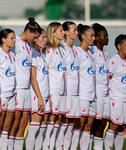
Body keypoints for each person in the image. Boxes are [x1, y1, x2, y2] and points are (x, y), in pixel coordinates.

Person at [8, 17, 42, 150]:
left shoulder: (29, 45)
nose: (35, 40)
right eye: (35, 36)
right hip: (17, 89)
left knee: (23, 123)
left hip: (26, 88)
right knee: (14, 122)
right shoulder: (15, 42)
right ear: (27, 31)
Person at [70, 24, 96, 150]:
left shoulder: (91, 52)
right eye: (91, 35)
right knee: (79, 126)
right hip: (83, 94)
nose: (94, 38)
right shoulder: (77, 52)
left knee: (88, 127)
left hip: (92, 94)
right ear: (83, 36)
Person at [42, 22, 67, 150]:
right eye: (61, 30)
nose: (64, 33)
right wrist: (48, 94)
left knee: (58, 121)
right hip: (53, 91)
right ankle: (46, 146)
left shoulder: (62, 50)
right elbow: (44, 71)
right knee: (51, 121)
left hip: (63, 91)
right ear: (53, 33)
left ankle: (53, 146)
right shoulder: (49, 50)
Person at [56, 21, 80, 150]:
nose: (77, 33)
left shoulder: (76, 49)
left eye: (77, 30)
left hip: (76, 93)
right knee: (63, 124)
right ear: (65, 32)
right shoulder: (62, 49)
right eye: (74, 30)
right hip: (66, 92)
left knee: (72, 124)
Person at [26, 28, 50, 150]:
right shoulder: (33, 54)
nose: (45, 40)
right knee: (34, 127)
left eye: (46, 37)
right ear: (35, 39)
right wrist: (40, 98)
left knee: (43, 128)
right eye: (43, 37)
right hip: (36, 96)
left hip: (44, 95)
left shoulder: (41, 54)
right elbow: (33, 78)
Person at [0, 28, 16, 150]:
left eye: (14, 38)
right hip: (2, 94)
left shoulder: (12, 54)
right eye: (12, 38)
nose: (14, 41)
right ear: (3, 39)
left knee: (7, 126)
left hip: (12, 93)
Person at [104, 34, 126, 150]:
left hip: (125, 100)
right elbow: (107, 79)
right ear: (119, 46)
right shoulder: (114, 60)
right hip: (116, 98)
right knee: (114, 125)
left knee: (122, 127)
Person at [90, 23, 109, 150]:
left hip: (106, 93)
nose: (107, 38)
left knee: (103, 123)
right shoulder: (93, 52)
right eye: (105, 35)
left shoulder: (105, 53)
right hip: (97, 94)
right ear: (96, 37)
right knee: (94, 124)